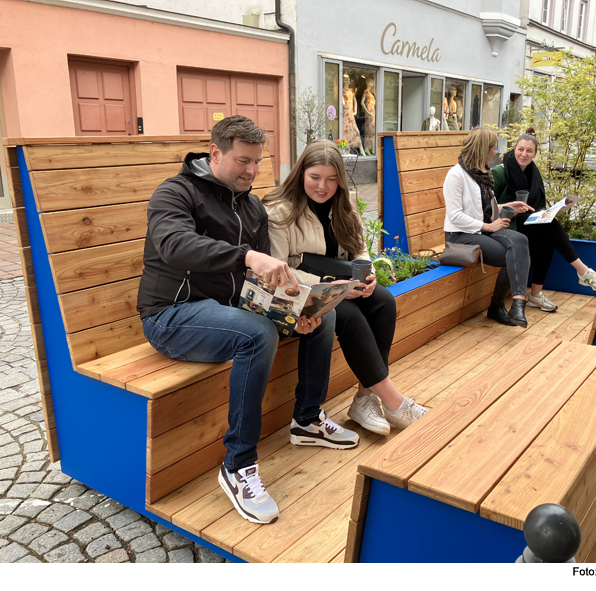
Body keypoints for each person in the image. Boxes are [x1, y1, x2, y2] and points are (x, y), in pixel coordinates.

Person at [136, 116, 358, 526]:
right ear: (215, 153)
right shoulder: (176, 192)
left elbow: (260, 283)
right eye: (243, 161)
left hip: (230, 309)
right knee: (255, 334)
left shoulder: (251, 205)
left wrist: (295, 313)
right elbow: (173, 245)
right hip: (172, 314)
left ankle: (307, 420)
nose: (252, 172)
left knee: (321, 318)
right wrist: (246, 256)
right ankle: (238, 464)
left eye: (257, 162)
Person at [264, 140, 428, 437]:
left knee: (383, 301)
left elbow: (360, 249)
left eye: (331, 178)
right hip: (298, 291)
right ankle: (394, 401)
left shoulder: (344, 203)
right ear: (301, 173)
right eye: (315, 177)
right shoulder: (279, 211)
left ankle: (365, 397)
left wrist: (367, 274)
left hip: (340, 282)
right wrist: (329, 285)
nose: (323, 186)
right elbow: (277, 270)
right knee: (348, 314)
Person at [492, 134, 596, 312]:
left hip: (526, 222)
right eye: (520, 149)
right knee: (549, 227)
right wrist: (513, 210)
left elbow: (537, 206)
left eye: (529, 151)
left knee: (546, 236)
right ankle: (583, 272)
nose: (524, 154)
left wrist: (551, 211)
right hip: (504, 224)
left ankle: (536, 295)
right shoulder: (499, 172)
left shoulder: (532, 173)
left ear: (535, 154)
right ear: (514, 150)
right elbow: (488, 208)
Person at [443, 126, 534, 327]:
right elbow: (455, 216)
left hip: (481, 229)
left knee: (521, 242)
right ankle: (499, 306)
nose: (495, 152)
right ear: (481, 149)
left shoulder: (482, 174)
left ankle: (517, 303)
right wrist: (488, 226)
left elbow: (483, 207)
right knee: (511, 255)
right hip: (460, 234)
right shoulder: (456, 175)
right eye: (492, 148)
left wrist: (507, 206)